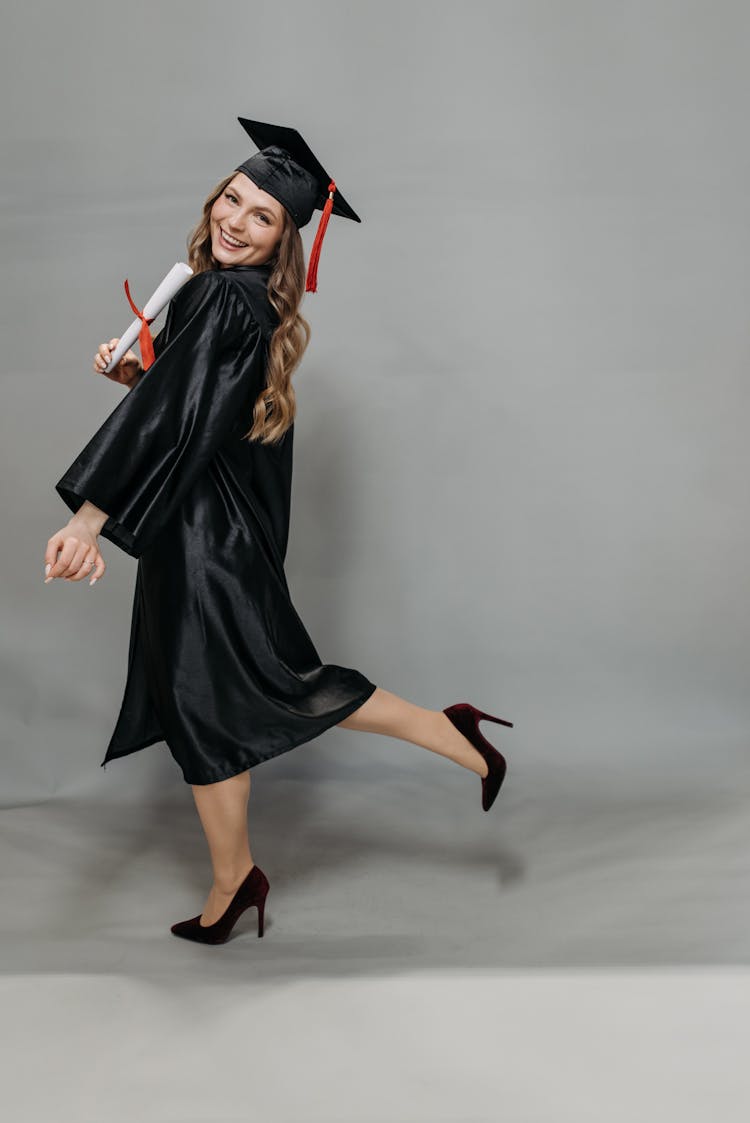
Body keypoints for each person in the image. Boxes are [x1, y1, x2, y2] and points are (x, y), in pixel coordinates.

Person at [44, 117, 514, 945]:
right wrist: (137, 369)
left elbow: (166, 421)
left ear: (285, 239)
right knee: (219, 704)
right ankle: (238, 879)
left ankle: (442, 738)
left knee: (246, 695)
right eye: (232, 198)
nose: (236, 219)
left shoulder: (223, 295)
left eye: (262, 215)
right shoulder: (219, 293)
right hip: (198, 532)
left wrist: (87, 516)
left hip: (203, 544)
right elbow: (192, 411)